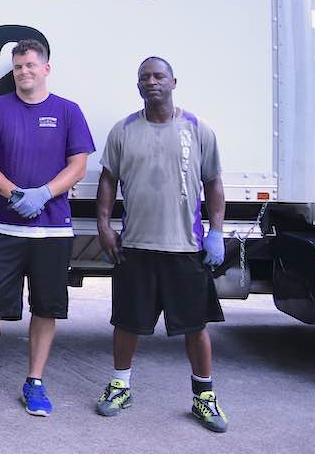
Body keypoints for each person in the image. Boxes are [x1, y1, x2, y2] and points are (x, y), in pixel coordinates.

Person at [0, 39, 94, 422]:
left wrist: (45, 193)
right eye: (18, 66)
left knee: (45, 309)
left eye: (30, 65)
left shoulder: (68, 111)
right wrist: (14, 193)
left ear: (46, 68)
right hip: (3, 226)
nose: (24, 72)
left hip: (51, 231)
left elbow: (78, 165)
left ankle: (34, 382)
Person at [94, 56, 228, 433]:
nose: (151, 82)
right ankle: (120, 386)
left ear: (173, 82)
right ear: (138, 86)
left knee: (195, 326)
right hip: (135, 246)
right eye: (144, 77)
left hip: (185, 247)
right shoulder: (123, 131)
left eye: (158, 76)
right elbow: (108, 180)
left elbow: (214, 183)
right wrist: (103, 225)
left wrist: (215, 231)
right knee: (126, 323)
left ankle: (204, 396)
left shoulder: (197, 129)